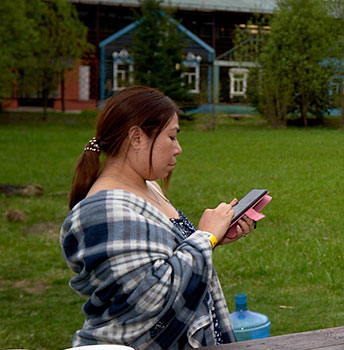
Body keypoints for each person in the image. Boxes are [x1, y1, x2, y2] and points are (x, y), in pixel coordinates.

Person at [61, 86, 256, 349]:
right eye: (172, 137)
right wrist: (204, 238)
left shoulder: (147, 187)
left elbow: (165, 259)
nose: (179, 149)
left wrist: (217, 236)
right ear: (137, 138)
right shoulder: (101, 212)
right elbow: (151, 298)